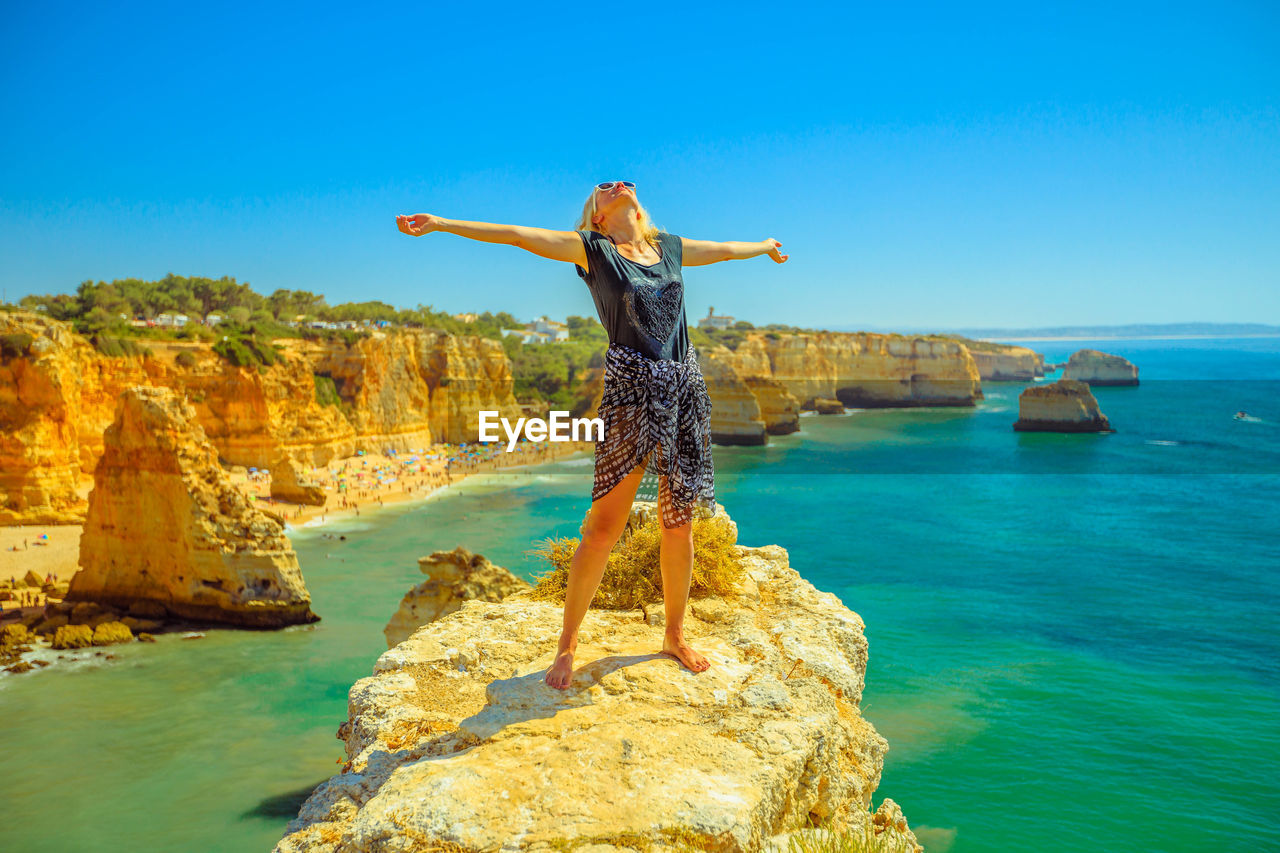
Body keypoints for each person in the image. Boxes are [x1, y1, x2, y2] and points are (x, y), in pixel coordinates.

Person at [396, 181, 788, 690]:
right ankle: (567, 647)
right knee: (603, 529)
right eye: (603, 188)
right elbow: (517, 235)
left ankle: (673, 634)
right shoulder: (593, 249)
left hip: (684, 393)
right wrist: (444, 223)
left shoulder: (669, 247)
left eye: (621, 182)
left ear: (637, 204)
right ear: (597, 216)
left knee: (679, 525)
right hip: (629, 396)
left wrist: (765, 247)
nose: (614, 185)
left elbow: (728, 250)